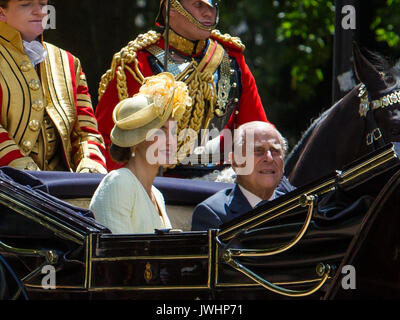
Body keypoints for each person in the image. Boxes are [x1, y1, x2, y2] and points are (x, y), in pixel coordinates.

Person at [96, 0, 270, 171]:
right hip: (159, 185)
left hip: (222, 186)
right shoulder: (136, 64)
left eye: (213, 5)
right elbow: (108, 140)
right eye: (199, 5)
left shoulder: (232, 59)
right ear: (172, 8)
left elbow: (257, 133)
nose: (208, 12)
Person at [0, 0, 107, 173]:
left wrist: (90, 166)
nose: (39, 12)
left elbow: (86, 132)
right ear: (2, 12)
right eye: (26, 4)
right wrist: (22, 168)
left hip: (63, 187)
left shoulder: (69, 62)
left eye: (42, 4)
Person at [89, 72, 192, 234]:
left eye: (173, 133)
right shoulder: (118, 183)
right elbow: (117, 255)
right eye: (161, 131)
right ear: (135, 140)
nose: (171, 141)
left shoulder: (157, 196)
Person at [191, 121, 295, 231]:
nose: (269, 158)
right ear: (236, 162)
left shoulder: (298, 206)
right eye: (258, 150)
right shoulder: (212, 214)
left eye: (275, 151)